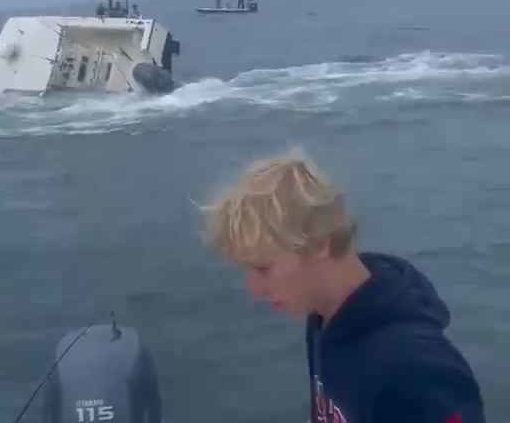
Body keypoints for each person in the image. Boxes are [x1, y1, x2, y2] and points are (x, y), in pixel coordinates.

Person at [200, 150, 485, 423]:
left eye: (263, 268)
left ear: (319, 243)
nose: (254, 289)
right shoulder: (324, 320)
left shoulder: (417, 370)